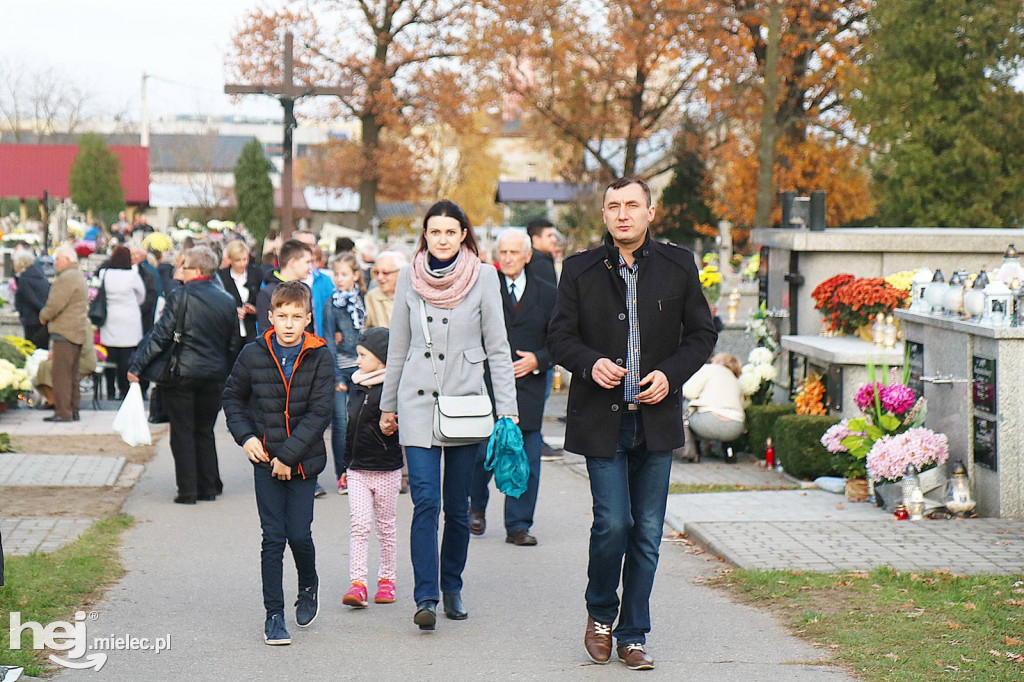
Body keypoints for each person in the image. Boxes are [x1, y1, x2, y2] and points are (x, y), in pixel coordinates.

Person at [547, 177, 717, 670]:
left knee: (646, 531)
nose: (622, 214)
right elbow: (559, 336)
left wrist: (671, 373)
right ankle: (600, 615)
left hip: (656, 420)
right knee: (613, 523)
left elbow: (702, 334)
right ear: (604, 215)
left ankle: (633, 633)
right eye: (613, 206)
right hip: (602, 421)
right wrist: (588, 362)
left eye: (632, 206)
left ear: (650, 212)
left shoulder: (678, 264)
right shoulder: (579, 269)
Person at [380, 200, 518, 631]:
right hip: (417, 403)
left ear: (463, 235)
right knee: (426, 501)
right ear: (426, 235)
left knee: (457, 507)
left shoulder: (485, 277)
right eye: (434, 231)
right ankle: (426, 595)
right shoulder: (409, 276)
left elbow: (498, 348)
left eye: (449, 232)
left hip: (465, 406)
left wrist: (507, 412)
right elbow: (397, 346)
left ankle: (452, 585)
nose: (441, 239)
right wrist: (387, 405)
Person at [221, 281, 334, 646]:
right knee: (272, 538)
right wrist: (246, 437)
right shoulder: (253, 353)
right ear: (269, 317)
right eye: (281, 316)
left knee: (298, 535)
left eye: (296, 317)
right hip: (264, 459)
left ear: (308, 319)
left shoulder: (320, 356)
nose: (288, 324)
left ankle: (308, 583)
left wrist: (288, 456)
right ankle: (274, 615)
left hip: (303, 463)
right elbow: (233, 399)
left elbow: (320, 413)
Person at [127, 246, 239, 504]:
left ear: (197, 270)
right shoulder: (227, 300)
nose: (179, 270)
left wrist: (137, 367)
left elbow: (161, 335)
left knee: (182, 431)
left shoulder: (179, 296)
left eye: (184, 266)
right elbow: (233, 343)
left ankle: (188, 490)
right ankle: (208, 486)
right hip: (214, 375)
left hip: (182, 374)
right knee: (205, 430)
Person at [469, 229, 556, 546]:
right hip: (487, 384)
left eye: (513, 253)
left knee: (527, 459)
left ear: (527, 256)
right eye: (502, 252)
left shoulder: (547, 293)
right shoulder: (481, 288)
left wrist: (539, 359)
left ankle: (518, 525)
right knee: (482, 454)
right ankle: (475, 507)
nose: (507, 258)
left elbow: (561, 339)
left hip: (529, 387)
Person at [340, 327, 403, 608]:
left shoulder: (394, 389)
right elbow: (349, 428)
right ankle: (358, 584)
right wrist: (345, 464)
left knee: (386, 527)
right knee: (359, 525)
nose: (357, 361)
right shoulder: (356, 385)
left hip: (386, 469)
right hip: (357, 470)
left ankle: (387, 580)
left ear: (382, 359)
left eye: (363, 355)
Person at [322, 252, 366, 495]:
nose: (340, 279)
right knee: (340, 423)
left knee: (360, 422)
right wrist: (336, 375)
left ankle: (359, 469)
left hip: (362, 368)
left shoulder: (364, 301)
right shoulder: (331, 304)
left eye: (344, 274)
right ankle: (343, 474)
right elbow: (328, 338)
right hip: (340, 368)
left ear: (355, 276)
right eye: (336, 275)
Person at [38, 246, 89, 422]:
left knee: (61, 375)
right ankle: (73, 409)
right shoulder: (78, 275)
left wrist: (43, 316)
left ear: (67, 259)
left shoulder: (66, 278)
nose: (55, 262)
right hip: (77, 331)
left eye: (58, 259)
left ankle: (63, 412)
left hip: (65, 331)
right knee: (72, 374)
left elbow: (55, 303)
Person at [98, 245, 145, 400]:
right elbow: (142, 296)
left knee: (110, 357)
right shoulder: (132, 276)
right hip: (129, 319)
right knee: (126, 358)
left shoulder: (105, 274)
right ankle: (124, 389)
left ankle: (110, 389)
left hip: (110, 318)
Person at [682, 353, 746, 455]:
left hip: (707, 423)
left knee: (685, 404)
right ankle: (727, 452)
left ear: (718, 361)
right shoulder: (736, 380)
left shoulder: (710, 369)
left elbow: (688, 392)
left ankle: (691, 450)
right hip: (735, 427)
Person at [255, 240, 314, 335]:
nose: (310, 267)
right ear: (293, 262)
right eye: (307, 262)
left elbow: (309, 329)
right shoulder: (267, 293)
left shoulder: (305, 290)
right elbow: (266, 333)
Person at [218, 239, 262, 356]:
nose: (242, 264)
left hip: (251, 330)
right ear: (230, 260)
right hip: (230, 333)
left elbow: (262, 299)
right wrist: (233, 310)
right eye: (238, 260)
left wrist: (254, 310)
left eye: (245, 259)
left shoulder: (256, 274)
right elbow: (218, 303)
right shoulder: (221, 277)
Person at [291, 230, 334, 339]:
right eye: (304, 245)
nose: (309, 249)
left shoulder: (325, 281)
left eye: (312, 245)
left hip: (319, 342)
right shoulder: (280, 280)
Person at [12, 250, 50, 348]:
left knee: (32, 348)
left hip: (31, 319)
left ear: (20, 264)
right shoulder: (39, 274)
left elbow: (31, 299)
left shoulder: (25, 279)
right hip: (41, 319)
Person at [364, 251, 407, 328]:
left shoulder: (413, 296)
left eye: (385, 273)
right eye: (377, 273)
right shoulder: (371, 297)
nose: (379, 278)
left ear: (400, 273)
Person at [525, 218, 558, 286]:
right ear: (536, 239)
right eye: (549, 236)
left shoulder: (530, 260)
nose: (554, 239)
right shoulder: (540, 263)